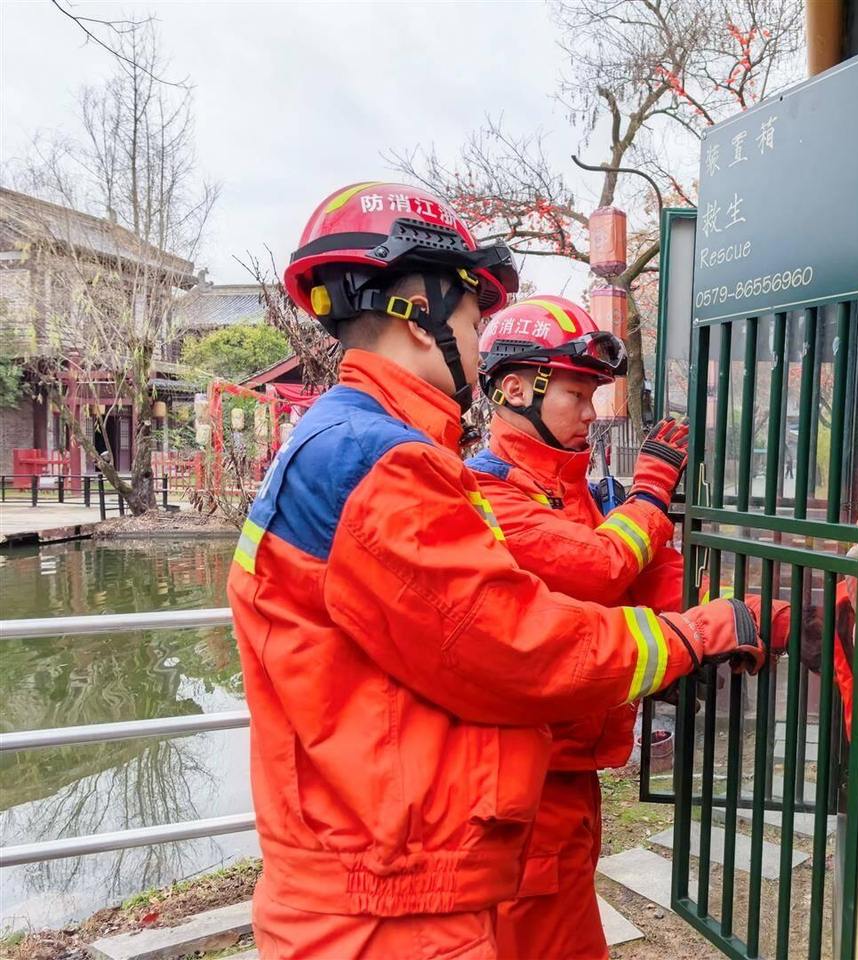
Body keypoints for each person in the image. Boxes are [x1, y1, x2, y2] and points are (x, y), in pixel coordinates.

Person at [227, 183, 780, 960]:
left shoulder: (362, 447)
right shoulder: (383, 464)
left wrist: (755, 615)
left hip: (407, 867)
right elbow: (521, 643)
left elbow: (628, 581)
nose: (476, 339)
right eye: (470, 318)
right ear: (416, 314)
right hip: (391, 899)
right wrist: (690, 634)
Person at [467, 295, 794, 959]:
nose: (591, 412)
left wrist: (778, 618)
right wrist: (650, 492)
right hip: (519, 785)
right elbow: (599, 566)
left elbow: (654, 583)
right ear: (514, 389)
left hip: (568, 770)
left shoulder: (572, 489)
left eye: (593, 394)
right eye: (576, 393)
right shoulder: (486, 492)